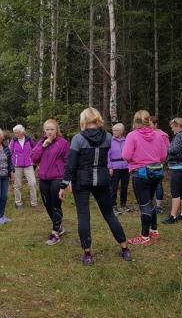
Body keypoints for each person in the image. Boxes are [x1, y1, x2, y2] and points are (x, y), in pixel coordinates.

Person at [59, 108, 131, 265]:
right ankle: (125, 249)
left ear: (84, 120)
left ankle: (88, 255)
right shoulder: (109, 137)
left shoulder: (78, 139)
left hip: (82, 181)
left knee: (84, 217)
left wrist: (63, 185)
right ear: (97, 119)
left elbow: (70, 165)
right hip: (103, 180)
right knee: (110, 215)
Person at [122, 110, 169, 246]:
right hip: (156, 172)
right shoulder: (159, 135)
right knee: (150, 201)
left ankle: (144, 237)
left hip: (140, 173)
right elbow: (163, 156)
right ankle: (154, 230)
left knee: (144, 204)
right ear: (149, 121)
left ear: (135, 121)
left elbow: (126, 155)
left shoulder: (132, 136)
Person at [31, 119, 69, 246]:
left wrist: (67, 180)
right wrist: (43, 146)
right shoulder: (41, 142)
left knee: (55, 205)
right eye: (47, 129)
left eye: (52, 129)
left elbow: (68, 161)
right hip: (43, 178)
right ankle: (58, 227)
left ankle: (54, 234)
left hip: (57, 178)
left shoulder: (62, 143)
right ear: (44, 130)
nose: (49, 132)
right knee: (47, 205)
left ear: (56, 130)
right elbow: (34, 158)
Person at [163, 117, 182, 224]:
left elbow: (173, 150)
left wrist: (165, 148)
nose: (172, 129)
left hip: (178, 167)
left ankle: (173, 216)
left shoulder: (180, 136)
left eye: (172, 127)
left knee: (175, 191)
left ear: (177, 126)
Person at [9, 124, 38, 209]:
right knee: (17, 185)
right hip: (17, 166)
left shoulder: (29, 139)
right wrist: (11, 165)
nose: (16, 134)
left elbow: (36, 149)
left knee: (32, 183)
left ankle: (34, 203)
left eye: (17, 132)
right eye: (15, 133)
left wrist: (33, 159)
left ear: (22, 132)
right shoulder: (13, 141)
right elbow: (9, 153)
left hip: (28, 165)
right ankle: (18, 203)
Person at [107, 123, 130, 215]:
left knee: (124, 186)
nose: (114, 132)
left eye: (116, 130)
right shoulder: (110, 141)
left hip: (125, 166)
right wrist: (110, 167)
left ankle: (123, 204)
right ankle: (113, 205)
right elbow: (107, 155)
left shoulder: (126, 140)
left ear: (121, 131)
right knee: (113, 187)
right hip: (114, 166)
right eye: (113, 130)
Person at [149, 116, 169, 214]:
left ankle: (159, 206)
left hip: (158, 163)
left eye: (150, 124)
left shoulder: (163, 135)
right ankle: (149, 203)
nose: (148, 126)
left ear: (155, 124)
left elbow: (166, 150)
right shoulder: (147, 134)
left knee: (158, 184)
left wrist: (161, 161)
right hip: (147, 162)